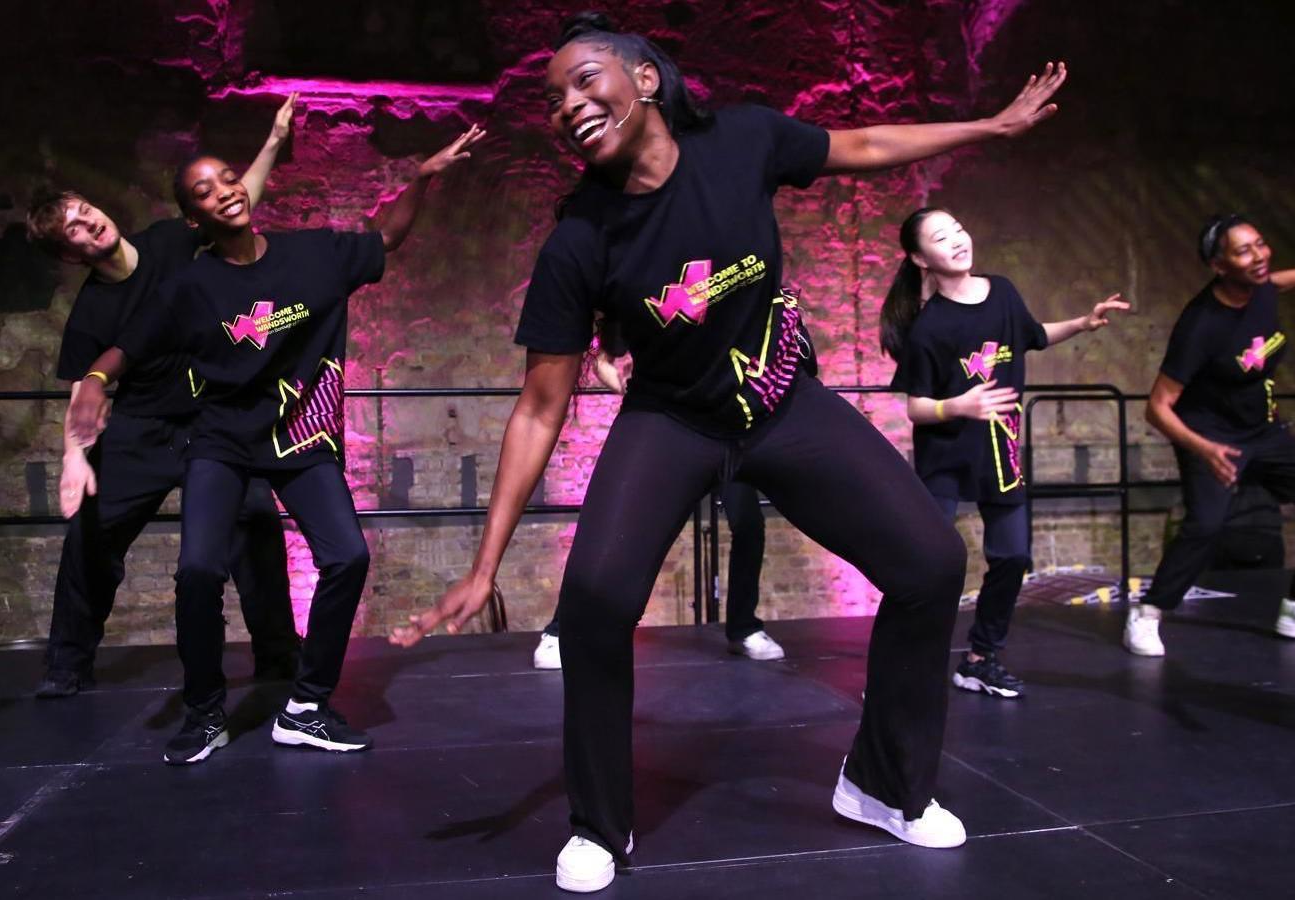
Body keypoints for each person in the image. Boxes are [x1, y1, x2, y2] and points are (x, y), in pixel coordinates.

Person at [391, 11, 1069, 893]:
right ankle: (601, 825)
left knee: (932, 561)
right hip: (672, 421)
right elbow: (539, 405)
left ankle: (882, 785)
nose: (567, 104)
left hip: (784, 401)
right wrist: (486, 565)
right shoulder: (580, 237)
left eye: (585, 79)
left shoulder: (742, 141)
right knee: (594, 599)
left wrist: (990, 125)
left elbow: (865, 142)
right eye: (552, 99)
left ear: (643, 79)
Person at [69, 116, 485, 765]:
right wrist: (96, 379)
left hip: (299, 438)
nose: (223, 191)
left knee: (346, 556)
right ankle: (205, 711)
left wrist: (423, 177)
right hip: (222, 442)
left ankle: (307, 706)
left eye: (227, 179)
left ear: (245, 187)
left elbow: (388, 237)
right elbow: (129, 343)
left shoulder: (313, 256)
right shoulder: (189, 287)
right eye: (204, 191)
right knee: (199, 569)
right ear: (194, 219)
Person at [24, 96, 302, 699]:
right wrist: (75, 458)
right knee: (91, 541)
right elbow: (85, 389)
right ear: (71, 254)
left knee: (254, 525)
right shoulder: (91, 313)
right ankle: (67, 664)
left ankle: (279, 655)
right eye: (72, 227)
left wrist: (275, 139)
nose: (88, 221)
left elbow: (235, 200)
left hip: (212, 420)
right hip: (144, 429)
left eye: (84, 210)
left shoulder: (173, 241)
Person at [1122, 215, 1295, 657]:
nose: (1260, 256)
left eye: (1261, 244)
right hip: (1209, 434)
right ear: (1219, 265)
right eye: (1244, 251)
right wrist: (1204, 448)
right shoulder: (1201, 325)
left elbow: (1279, 282)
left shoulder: (1260, 287)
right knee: (1206, 525)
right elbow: (1157, 408)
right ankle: (1148, 612)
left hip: (1261, 430)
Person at [883, 207, 1128, 698]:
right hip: (946, 461)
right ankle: (900, 667)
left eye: (958, 228)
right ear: (918, 258)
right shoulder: (930, 327)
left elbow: (1034, 336)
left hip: (1002, 454)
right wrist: (958, 404)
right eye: (940, 237)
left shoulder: (1005, 293)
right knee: (930, 562)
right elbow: (915, 408)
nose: (956, 240)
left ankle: (980, 658)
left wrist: (1083, 322)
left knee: (1013, 556)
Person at [532, 330, 788, 668]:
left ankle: (743, 628)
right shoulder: (660, 297)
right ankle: (560, 631)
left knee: (749, 525)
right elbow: (602, 354)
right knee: (618, 530)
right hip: (667, 428)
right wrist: (620, 381)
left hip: (724, 427)